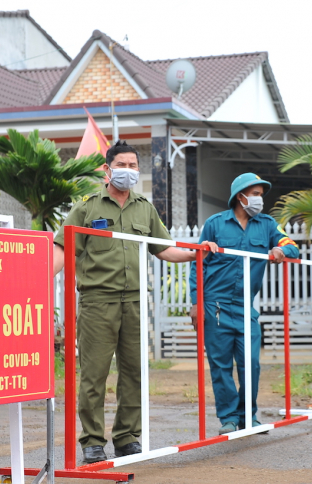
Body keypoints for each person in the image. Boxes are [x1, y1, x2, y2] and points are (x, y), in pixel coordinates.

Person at [53, 141, 217, 463]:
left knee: (135, 372)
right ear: (107, 169)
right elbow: (64, 248)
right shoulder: (86, 208)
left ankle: (127, 437)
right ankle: (92, 441)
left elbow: (164, 248)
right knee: (94, 375)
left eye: (133, 166)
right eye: (121, 165)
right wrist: (38, 277)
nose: (127, 171)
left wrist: (194, 253)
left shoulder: (145, 208)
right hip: (98, 301)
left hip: (135, 301)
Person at [189, 173, 299, 435]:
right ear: (240, 197)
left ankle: (248, 416)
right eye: (256, 194)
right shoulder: (215, 224)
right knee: (221, 365)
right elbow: (197, 263)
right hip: (215, 305)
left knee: (251, 363)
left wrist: (280, 250)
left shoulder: (268, 225)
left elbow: (291, 246)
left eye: (261, 195)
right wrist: (195, 303)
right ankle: (228, 418)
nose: (260, 199)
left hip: (244, 306)